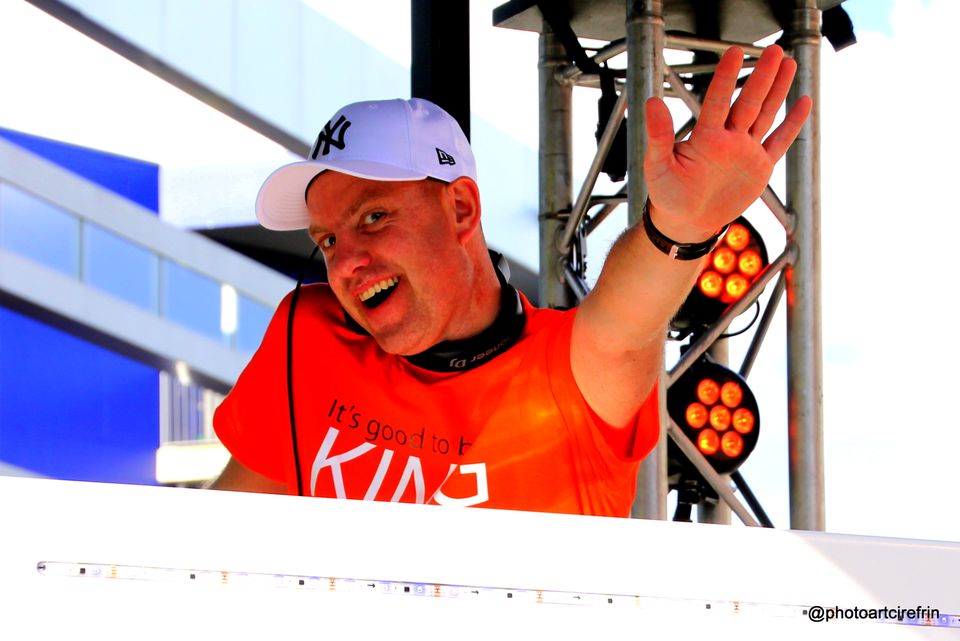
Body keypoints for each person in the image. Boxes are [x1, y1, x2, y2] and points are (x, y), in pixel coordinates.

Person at [211, 45, 811, 516]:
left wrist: (678, 229)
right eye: (328, 240)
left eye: (374, 217)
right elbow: (212, 543)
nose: (344, 264)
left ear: (462, 211)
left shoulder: (567, 372)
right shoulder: (309, 336)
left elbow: (626, 325)